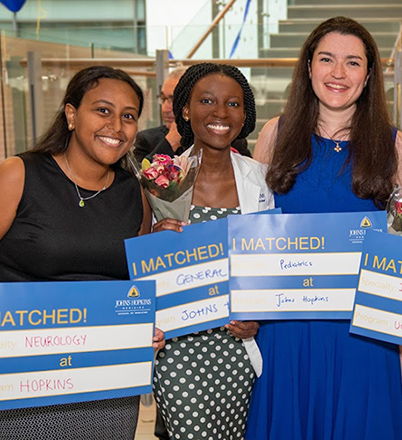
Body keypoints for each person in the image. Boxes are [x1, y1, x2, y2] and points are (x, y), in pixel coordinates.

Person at [245, 16, 402, 440]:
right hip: (286, 330)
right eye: (327, 60)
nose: (338, 73)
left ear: (369, 74)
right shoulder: (274, 135)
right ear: (308, 67)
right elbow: (255, 231)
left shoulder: (396, 146)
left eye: (353, 63)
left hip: (362, 335)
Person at [0, 66, 164, 439]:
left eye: (128, 116)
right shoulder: (18, 174)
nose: (116, 126)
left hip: (105, 386)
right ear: (71, 114)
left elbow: (133, 284)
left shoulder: (134, 193)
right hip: (22, 382)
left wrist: (146, 325)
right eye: (102, 110)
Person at [151, 62, 273, 440]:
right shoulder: (159, 178)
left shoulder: (264, 179)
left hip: (239, 346)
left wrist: (258, 320)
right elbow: (132, 263)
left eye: (233, 104)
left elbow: (271, 265)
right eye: (207, 101)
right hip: (177, 351)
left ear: (244, 115)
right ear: (185, 111)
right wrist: (153, 241)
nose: (220, 113)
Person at [134, 67, 252, 162]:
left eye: (173, 99)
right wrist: (170, 143)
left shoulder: (231, 139)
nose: (165, 108)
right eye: (163, 98)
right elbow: (138, 184)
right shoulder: (147, 140)